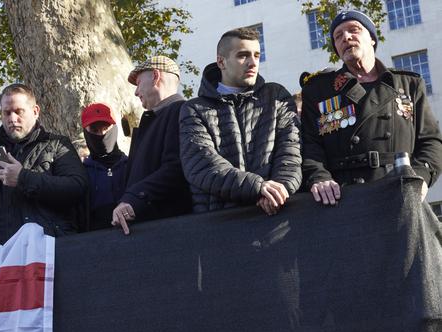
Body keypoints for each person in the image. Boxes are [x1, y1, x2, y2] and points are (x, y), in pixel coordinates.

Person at [301, 10, 442, 205]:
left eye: (354, 30)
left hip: (400, 192)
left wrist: (420, 177)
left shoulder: (408, 84)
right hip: (342, 197)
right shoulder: (319, 90)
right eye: (338, 36)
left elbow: (430, 140)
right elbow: (309, 145)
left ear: (372, 39)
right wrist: (319, 177)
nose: (346, 37)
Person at [0, 83, 88, 266]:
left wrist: (23, 178)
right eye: (6, 113)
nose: (12, 118)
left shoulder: (58, 145)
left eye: (19, 111)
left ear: (35, 111)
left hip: (50, 255)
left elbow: (77, 188)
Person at [179, 27, 301, 215]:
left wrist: (279, 190)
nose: (253, 63)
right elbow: (201, 165)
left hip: (277, 212)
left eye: (257, 55)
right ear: (221, 61)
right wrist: (258, 187)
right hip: (220, 223)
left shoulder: (276, 96)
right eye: (243, 55)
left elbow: (291, 150)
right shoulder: (194, 109)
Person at [112, 55, 192, 235]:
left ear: (156, 76)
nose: (136, 92)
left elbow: (176, 168)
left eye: (139, 83)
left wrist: (133, 199)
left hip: (168, 231)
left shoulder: (181, 112)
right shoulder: (156, 119)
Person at [81, 102, 128, 230]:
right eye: (95, 130)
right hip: (97, 243)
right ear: (86, 133)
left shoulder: (132, 166)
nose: (101, 134)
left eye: (106, 128)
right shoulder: (81, 173)